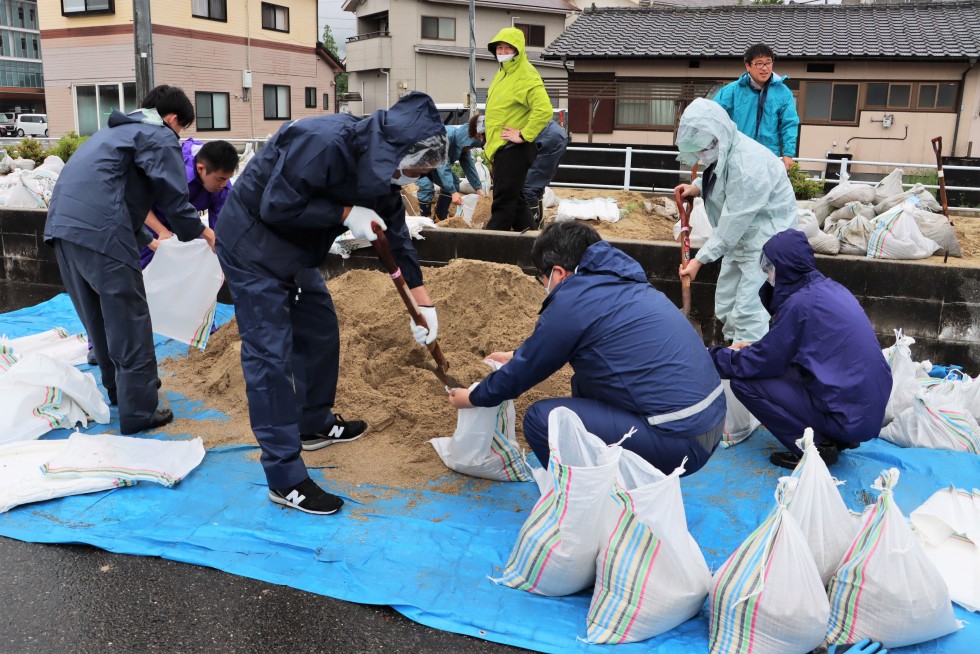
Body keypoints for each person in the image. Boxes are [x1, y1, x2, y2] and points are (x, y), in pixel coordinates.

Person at [216, 91, 448, 516]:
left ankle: (314, 422)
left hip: (297, 249)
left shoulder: (384, 169)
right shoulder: (322, 142)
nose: (412, 177)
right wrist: (344, 213)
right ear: (397, 150)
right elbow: (277, 205)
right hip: (253, 244)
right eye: (414, 168)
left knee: (320, 327)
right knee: (270, 357)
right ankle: (284, 479)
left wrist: (423, 303)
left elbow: (394, 231)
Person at [447, 221, 726, 476]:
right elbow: (560, 344)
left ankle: (582, 497)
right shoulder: (621, 282)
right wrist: (517, 356)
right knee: (584, 383)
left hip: (679, 442)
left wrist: (472, 397)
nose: (543, 285)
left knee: (543, 420)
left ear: (557, 273)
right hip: (709, 425)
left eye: (540, 278)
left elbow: (519, 377)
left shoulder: (573, 299)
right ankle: (612, 477)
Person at [43, 85, 216, 435]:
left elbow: (113, 191)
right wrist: (198, 232)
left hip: (62, 230)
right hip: (102, 233)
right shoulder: (158, 134)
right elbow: (172, 191)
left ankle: (120, 393)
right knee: (130, 319)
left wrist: (147, 238)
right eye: (180, 129)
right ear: (172, 119)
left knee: (99, 318)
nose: (178, 137)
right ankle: (139, 412)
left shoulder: (111, 134)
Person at [710, 229, 892, 470]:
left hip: (848, 414)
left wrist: (714, 356)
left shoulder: (800, 304)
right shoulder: (829, 290)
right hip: (864, 411)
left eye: (770, 266)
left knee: (745, 384)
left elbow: (761, 363)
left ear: (784, 267)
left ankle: (813, 448)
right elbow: (804, 349)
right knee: (782, 372)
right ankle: (837, 438)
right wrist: (756, 347)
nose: (767, 272)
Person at [674, 98, 798, 344]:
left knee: (749, 310)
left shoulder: (748, 165)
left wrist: (699, 261)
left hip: (764, 241)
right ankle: (733, 351)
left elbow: (734, 220)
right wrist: (697, 188)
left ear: (718, 134)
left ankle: (748, 365)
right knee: (726, 303)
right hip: (740, 239)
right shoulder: (727, 148)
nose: (702, 154)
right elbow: (720, 176)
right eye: (697, 149)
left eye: (704, 147)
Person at [483, 27, 554, 232]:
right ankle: (534, 244)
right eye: (499, 48)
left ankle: (489, 249)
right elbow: (501, 112)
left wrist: (523, 134)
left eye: (508, 48)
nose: (503, 52)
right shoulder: (503, 73)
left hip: (513, 150)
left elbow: (544, 110)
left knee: (503, 202)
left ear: (518, 50)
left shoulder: (526, 75)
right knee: (517, 202)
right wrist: (490, 139)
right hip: (503, 147)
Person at [140, 138, 238, 267]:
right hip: (151, 222)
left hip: (186, 225)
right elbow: (139, 204)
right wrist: (161, 231)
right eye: (220, 179)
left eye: (227, 179)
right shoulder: (171, 174)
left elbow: (219, 228)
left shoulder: (221, 186)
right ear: (200, 169)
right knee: (147, 266)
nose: (223, 184)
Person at [712, 43, 800, 172]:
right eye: (759, 63)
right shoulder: (733, 90)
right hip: (738, 155)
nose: (764, 68)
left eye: (768, 63)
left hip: (769, 155)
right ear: (748, 66)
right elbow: (713, 114)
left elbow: (789, 123)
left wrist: (788, 154)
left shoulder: (783, 92)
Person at [415, 120, 486, 222]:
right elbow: (443, 167)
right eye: (471, 146)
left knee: (454, 182)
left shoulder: (462, 145)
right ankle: (424, 219)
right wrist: (453, 192)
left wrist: (478, 188)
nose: (470, 148)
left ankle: (440, 217)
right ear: (467, 141)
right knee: (426, 186)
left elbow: (468, 165)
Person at [523, 119, 568, 227]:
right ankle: (538, 227)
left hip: (548, 138)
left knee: (529, 188)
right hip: (549, 134)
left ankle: (531, 231)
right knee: (534, 187)